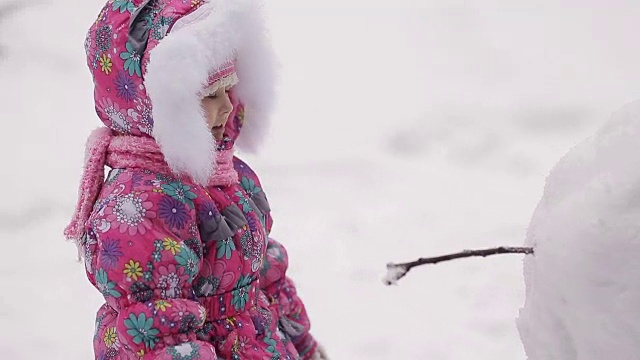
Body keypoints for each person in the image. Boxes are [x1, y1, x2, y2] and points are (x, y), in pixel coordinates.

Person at [64, 1, 328, 359]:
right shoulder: (139, 208)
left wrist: (303, 346)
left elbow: (265, 275)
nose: (226, 108)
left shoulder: (227, 177)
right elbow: (158, 333)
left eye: (228, 90)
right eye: (207, 95)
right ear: (153, 103)